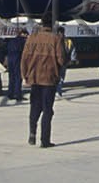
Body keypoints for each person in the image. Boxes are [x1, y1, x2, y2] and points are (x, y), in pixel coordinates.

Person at [20, 18, 66, 147]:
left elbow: (24, 58)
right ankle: (45, 140)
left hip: (34, 78)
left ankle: (32, 133)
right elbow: (61, 60)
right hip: (49, 79)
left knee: (34, 107)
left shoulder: (32, 38)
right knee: (47, 110)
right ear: (52, 25)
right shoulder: (55, 39)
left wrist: (25, 75)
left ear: (41, 24)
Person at [0, 27, 27, 106]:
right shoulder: (22, 41)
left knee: (11, 77)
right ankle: (17, 94)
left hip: (10, 59)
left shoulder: (9, 40)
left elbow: (3, 47)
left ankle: (10, 93)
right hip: (17, 59)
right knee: (18, 77)